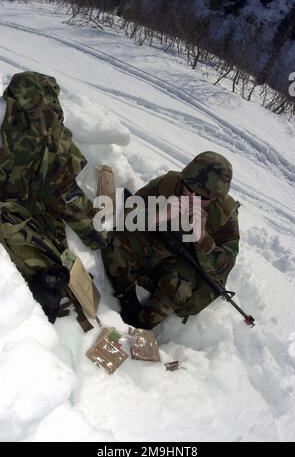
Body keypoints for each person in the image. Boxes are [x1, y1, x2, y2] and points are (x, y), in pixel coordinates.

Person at [0, 72, 106, 323]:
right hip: (12, 216)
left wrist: (99, 238)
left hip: (30, 213)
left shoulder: (55, 140)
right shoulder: (52, 135)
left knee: (55, 266)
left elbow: (64, 191)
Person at [102, 151, 240, 329]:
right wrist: (159, 215)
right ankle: (126, 298)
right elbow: (127, 214)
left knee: (179, 288)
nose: (191, 197)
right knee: (116, 242)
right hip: (158, 244)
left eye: (201, 197)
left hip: (185, 265)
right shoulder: (170, 183)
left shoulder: (225, 215)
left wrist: (203, 239)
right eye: (188, 188)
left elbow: (223, 267)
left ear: (215, 198)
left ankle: (141, 325)